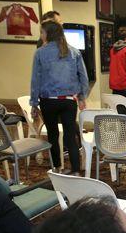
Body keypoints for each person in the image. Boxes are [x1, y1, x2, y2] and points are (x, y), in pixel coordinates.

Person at [30, 21, 89, 174]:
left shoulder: (40, 53)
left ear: (48, 34)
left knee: (53, 135)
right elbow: (83, 76)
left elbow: (36, 80)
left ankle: (57, 168)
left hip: (47, 101)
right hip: (68, 101)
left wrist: (34, 102)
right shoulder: (74, 51)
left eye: (42, 32)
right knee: (70, 136)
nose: (41, 35)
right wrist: (82, 96)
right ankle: (76, 170)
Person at [109, 26, 126, 113]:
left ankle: (119, 127)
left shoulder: (112, 50)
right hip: (125, 85)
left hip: (114, 85)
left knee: (118, 110)